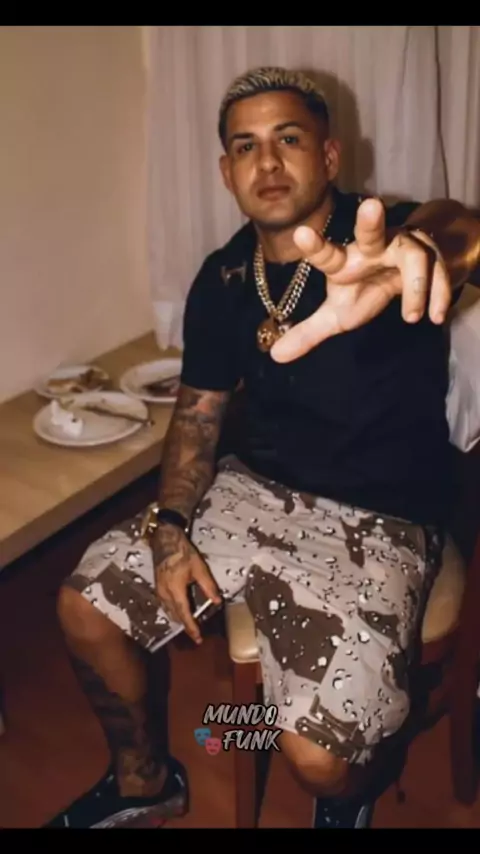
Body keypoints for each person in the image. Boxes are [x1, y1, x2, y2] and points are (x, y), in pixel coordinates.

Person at [47, 67, 480, 829]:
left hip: (382, 517)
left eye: (289, 139)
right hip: (250, 493)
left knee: (319, 764)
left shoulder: (384, 235)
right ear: (226, 171)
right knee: (83, 609)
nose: (268, 162)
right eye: (246, 146)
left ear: (330, 155)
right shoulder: (220, 278)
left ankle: (353, 765)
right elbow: (197, 418)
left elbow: (461, 231)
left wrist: (425, 245)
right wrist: (171, 527)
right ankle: (147, 781)